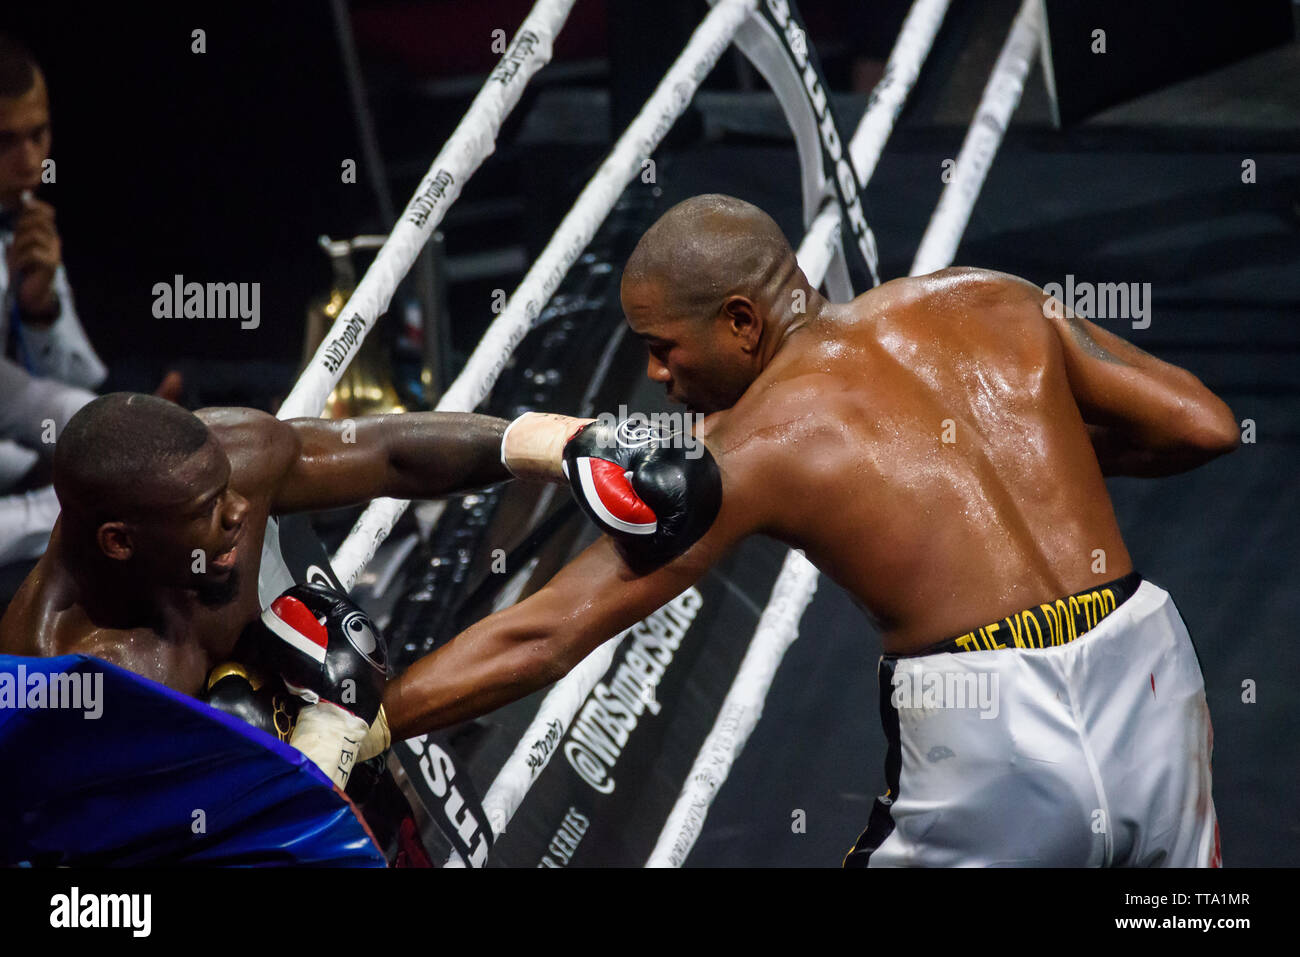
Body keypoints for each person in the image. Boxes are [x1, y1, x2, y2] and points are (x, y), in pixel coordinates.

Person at [379, 194, 1240, 866]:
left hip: (995, 730)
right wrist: (1026, 464)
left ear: (743, 322)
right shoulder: (990, 298)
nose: (654, 373)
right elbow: (1202, 423)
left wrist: (368, 721)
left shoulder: (755, 444)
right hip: (1150, 669)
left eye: (663, 346)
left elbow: (547, 631)